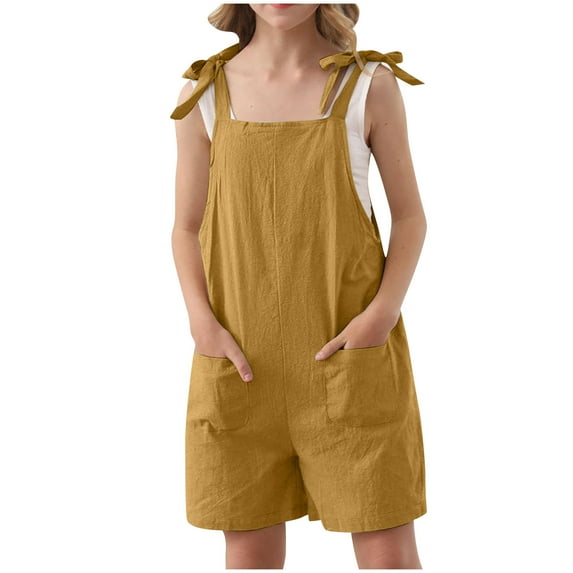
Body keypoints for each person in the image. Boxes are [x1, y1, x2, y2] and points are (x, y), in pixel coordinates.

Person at [170, 3, 427, 569]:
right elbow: (186, 227)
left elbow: (410, 217)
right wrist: (202, 324)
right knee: (249, 554)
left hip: (349, 364)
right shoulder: (204, 94)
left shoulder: (368, 86)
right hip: (241, 366)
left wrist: (381, 315)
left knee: (387, 552)